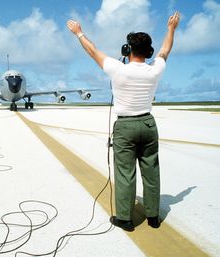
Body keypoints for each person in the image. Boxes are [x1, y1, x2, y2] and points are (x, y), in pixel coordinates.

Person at [67, 12, 180, 231]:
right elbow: (165, 50)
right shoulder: (155, 69)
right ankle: (153, 217)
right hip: (148, 124)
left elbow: (93, 52)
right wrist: (171, 29)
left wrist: (79, 33)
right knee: (151, 172)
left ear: (127, 50)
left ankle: (125, 219)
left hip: (125, 127)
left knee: (125, 174)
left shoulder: (117, 68)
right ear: (148, 52)